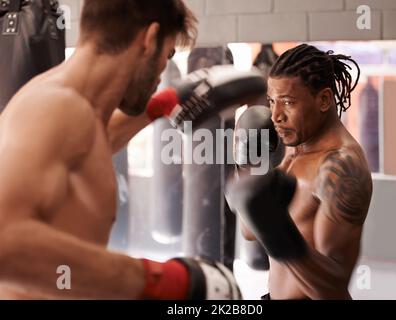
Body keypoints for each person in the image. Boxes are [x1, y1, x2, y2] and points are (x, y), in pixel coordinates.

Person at [0, 0, 250, 300]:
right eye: (167, 54)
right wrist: (162, 280)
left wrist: (166, 102)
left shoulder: (80, 114)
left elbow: (97, 142)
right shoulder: (56, 107)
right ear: (149, 38)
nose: (161, 71)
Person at [227, 44, 373, 300]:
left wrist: (278, 233)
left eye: (288, 102)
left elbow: (332, 289)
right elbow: (250, 232)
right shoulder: (295, 148)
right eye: (272, 102)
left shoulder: (340, 169)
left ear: (324, 100)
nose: (275, 116)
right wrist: (248, 165)